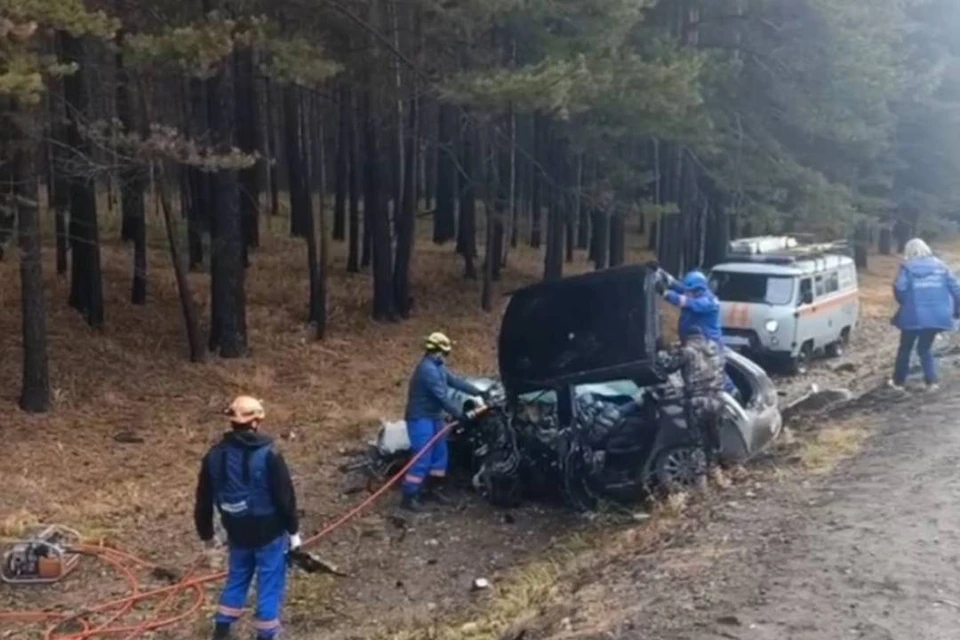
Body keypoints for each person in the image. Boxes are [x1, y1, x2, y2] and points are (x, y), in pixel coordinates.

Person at [195, 396, 300, 640]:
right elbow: (285, 497)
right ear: (256, 421)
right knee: (269, 580)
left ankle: (222, 628)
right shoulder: (270, 454)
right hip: (270, 532)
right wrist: (293, 532)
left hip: (236, 529)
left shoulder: (214, 455)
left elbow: (203, 500)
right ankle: (266, 633)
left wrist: (207, 537)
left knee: (238, 574)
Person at [401, 332, 486, 512]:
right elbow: (442, 397)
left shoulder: (438, 366)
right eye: (445, 353)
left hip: (434, 417)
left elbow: (455, 381)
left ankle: (432, 489)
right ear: (437, 351)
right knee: (422, 456)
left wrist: (478, 392)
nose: (445, 356)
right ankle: (409, 496)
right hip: (420, 418)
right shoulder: (427, 370)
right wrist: (459, 414)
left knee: (440, 454)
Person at [657, 326, 730, 489]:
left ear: (686, 338)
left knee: (697, 443)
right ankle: (718, 478)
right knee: (713, 441)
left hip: (697, 401)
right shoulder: (715, 350)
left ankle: (701, 485)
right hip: (718, 400)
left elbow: (668, 366)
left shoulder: (688, 351)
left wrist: (664, 351)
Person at [889, 238, 960, 392]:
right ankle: (932, 382)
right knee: (925, 348)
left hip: (913, 315)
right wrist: (957, 311)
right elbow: (956, 290)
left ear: (908, 251)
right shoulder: (942, 267)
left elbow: (900, 288)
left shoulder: (907, 268)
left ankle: (898, 382)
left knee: (905, 348)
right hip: (937, 315)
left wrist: (904, 302)